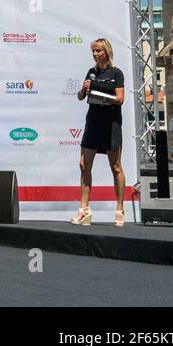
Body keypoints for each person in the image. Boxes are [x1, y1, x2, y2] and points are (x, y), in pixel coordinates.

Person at [70, 38, 126, 227]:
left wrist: (104, 99)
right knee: (84, 165)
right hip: (93, 122)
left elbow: (120, 99)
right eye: (93, 51)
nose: (95, 54)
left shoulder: (116, 73)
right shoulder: (91, 72)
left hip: (111, 124)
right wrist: (83, 90)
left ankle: (119, 209)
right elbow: (80, 97)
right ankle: (84, 209)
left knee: (116, 167)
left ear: (106, 52)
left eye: (98, 51)